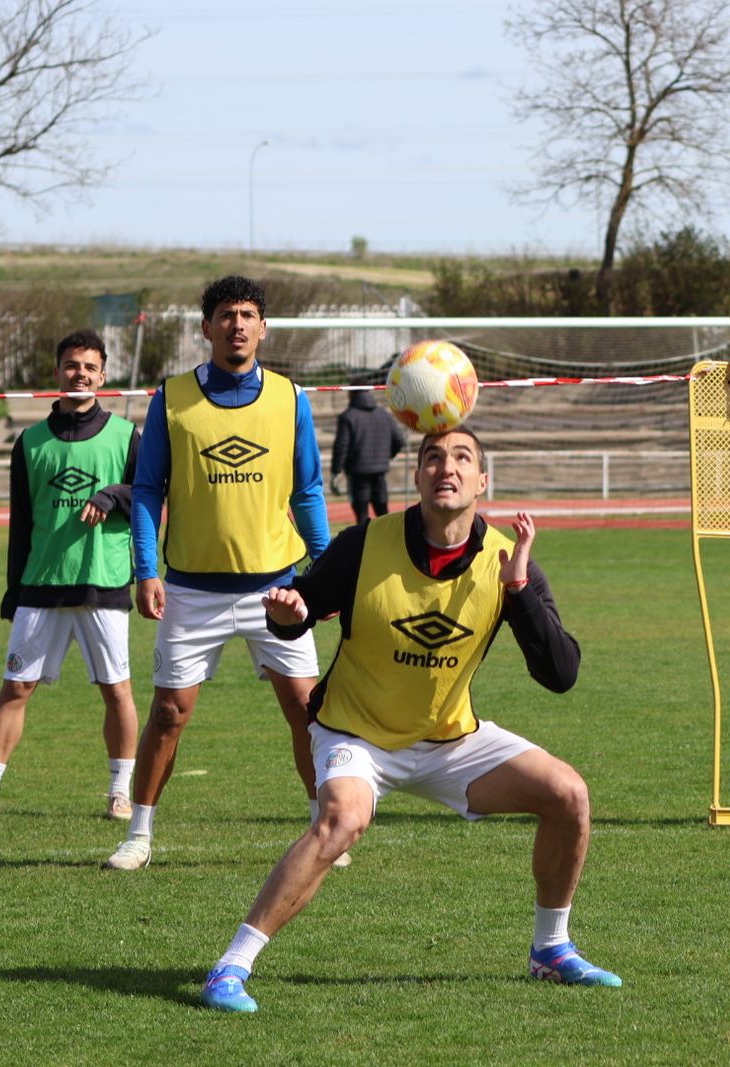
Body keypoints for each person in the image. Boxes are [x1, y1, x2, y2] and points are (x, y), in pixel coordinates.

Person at [197, 426, 619, 1014]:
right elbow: (300, 610)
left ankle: (551, 949)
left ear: (481, 481)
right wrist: (289, 614)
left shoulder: (507, 558)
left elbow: (561, 674)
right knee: (341, 820)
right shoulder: (365, 543)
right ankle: (229, 968)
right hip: (354, 732)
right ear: (416, 476)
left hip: (449, 741)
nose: (447, 467)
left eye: (462, 458)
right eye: (433, 457)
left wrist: (518, 589)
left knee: (569, 794)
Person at [103, 275, 332, 871]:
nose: (237, 324)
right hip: (192, 591)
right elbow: (149, 489)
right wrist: (146, 569)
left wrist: (327, 566)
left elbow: (307, 489)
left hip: (277, 588)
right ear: (206, 328)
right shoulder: (171, 398)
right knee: (169, 713)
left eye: (248, 314)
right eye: (226, 314)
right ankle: (139, 834)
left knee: (308, 711)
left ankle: (322, 829)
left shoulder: (290, 398)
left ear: (263, 327)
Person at [0, 330, 142, 823]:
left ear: (103, 376)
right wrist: (13, 590)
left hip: (103, 583)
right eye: (70, 366)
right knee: (15, 687)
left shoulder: (126, 436)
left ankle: (120, 792)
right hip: (41, 584)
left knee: (117, 690)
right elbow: (21, 522)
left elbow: (149, 500)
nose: (79, 374)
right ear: (57, 373)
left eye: (89, 367)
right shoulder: (31, 441)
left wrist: (110, 496)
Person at [331, 380, 405, 524]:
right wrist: (386, 457)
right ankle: (389, 543)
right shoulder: (383, 414)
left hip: (357, 474)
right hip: (379, 472)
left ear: (351, 393)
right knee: (383, 514)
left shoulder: (348, 416)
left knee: (361, 516)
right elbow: (399, 439)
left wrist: (336, 471)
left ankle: (364, 545)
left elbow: (342, 446)